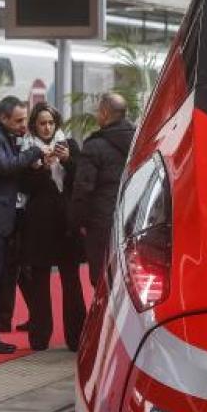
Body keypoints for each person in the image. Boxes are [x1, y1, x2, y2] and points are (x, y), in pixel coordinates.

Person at [0, 96, 52, 354]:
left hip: (0, 219)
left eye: (24, 119)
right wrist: (34, 151)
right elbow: (4, 167)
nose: (23, 125)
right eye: (18, 120)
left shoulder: (5, 137)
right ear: (2, 118)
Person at [17, 103, 86, 351]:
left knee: (71, 279)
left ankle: (76, 337)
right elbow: (23, 186)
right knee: (39, 280)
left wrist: (67, 161)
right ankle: (39, 337)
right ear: (34, 125)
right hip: (38, 223)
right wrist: (41, 168)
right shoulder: (26, 150)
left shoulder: (70, 145)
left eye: (51, 123)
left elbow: (81, 178)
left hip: (66, 223)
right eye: (42, 123)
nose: (47, 128)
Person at [71, 93, 136, 287]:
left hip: (101, 222)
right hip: (133, 218)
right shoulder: (140, 140)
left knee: (100, 279)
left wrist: (77, 221)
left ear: (105, 113)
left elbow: (83, 188)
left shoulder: (94, 146)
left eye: (98, 110)